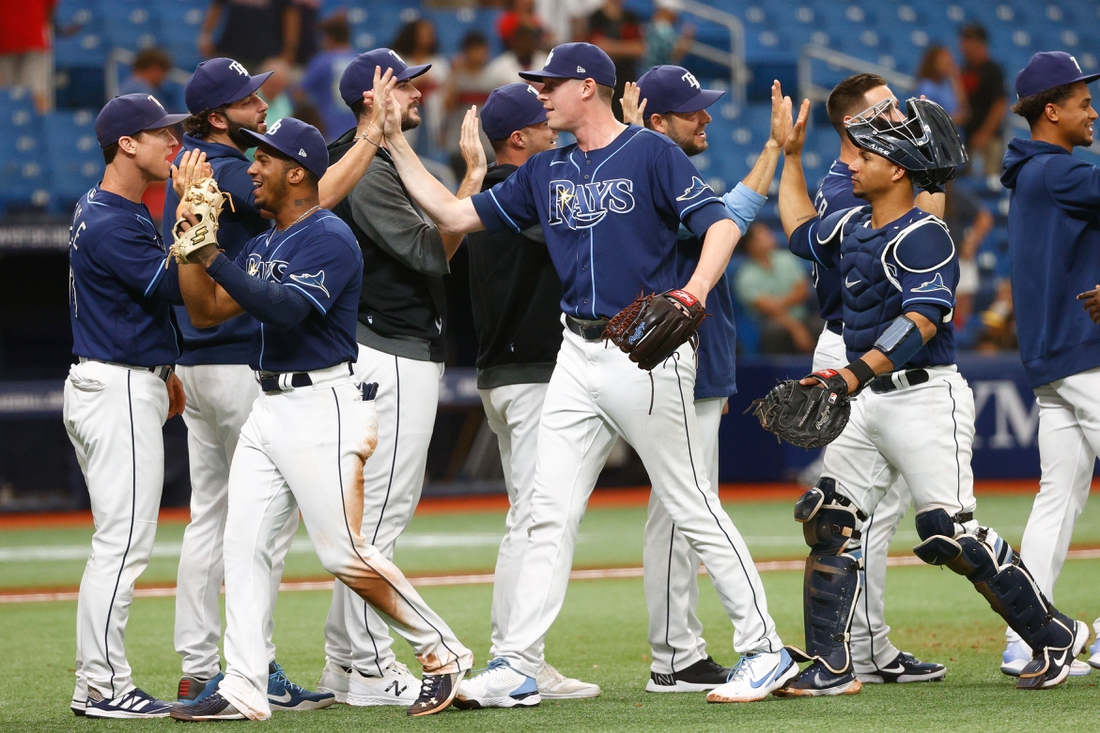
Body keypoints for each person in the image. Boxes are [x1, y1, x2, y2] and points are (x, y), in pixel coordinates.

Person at [382, 42, 798, 707]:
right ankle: (517, 661)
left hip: (644, 350)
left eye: (550, 82)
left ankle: (765, 648)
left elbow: (719, 224)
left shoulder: (651, 152)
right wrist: (394, 146)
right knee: (547, 508)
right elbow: (457, 215)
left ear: (587, 86)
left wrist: (691, 292)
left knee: (691, 502)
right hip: (574, 352)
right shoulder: (546, 168)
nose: (540, 92)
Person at [777, 92, 1088, 695]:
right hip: (865, 398)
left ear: (896, 168)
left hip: (923, 398)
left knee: (949, 530)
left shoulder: (925, 235)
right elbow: (796, 234)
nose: (852, 162)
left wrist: (850, 374)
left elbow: (922, 320)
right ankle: (833, 666)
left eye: (865, 154)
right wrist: (788, 158)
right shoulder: (849, 222)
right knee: (830, 520)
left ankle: (1054, 635)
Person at [167, 116, 474, 722]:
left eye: (264, 160)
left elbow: (283, 312)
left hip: (323, 406)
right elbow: (204, 313)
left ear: (296, 172)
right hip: (269, 409)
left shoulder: (329, 236)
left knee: (344, 554)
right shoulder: (262, 242)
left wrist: (215, 256)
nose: (250, 168)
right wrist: (186, 238)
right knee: (244, 545)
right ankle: (244, 684)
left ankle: (442, 652)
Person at [163, 56, 398, 710]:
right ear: (218, 116)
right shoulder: (227, 164)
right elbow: (313, 195)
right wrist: (372, 136)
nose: (261, 109)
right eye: (248, 102)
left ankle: (198, 661)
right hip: (244, 357)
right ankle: (252, 668)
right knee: (259, 530)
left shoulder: (193, 162)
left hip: (200, 351)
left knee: (213, 516)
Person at [315, 47, 482, 709]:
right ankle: (373, 665)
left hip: (383, 344)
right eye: (407, 86)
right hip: (387, 347)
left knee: (366, 523)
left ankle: (344, 663)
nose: (421, 94)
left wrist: (465, 183)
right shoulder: (364, 163)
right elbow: (426, 251)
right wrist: (469, 187)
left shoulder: (369, 158)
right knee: (377, 521)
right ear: (370, 98)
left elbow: (430, 245)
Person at [621, 65, 785, 693]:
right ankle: (677, 656)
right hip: (675, 363)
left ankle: (677, 654)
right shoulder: (651, 175)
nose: (707, 118)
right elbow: (736, 215)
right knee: (683, 511)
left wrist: (774, 149)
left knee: (677, 511)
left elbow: (735, 211)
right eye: (692, 111)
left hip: (696, 363)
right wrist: (772, 151)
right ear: (655, 122)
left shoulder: (664, 172)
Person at [804, 72, 947, 686]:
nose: (899, 113)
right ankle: (863, 651)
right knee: (855, 514)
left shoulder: (872, 173)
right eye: (885, 108)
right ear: (851, 126)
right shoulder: (847, 186)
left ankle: (868, 647)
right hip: (855, 348)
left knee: (869, 512)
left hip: (869, 348)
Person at [463, 81, 602, 701]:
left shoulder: (484, 191)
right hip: (533, 374)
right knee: (536, 520)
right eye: (540, 123)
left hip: (502, 372)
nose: (553, 127)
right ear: (518, 138)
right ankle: (515, 661)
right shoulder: (515, 194)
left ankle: (514, 656)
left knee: (526, 518)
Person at [66, 93, 190, 719]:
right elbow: (175, 286)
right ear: (126, 144)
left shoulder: (104, 206)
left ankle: (96, 682)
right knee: (123, 544)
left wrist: (162, 366)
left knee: (116, 541)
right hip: (115, 387)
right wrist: (198, 219)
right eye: (159, 133)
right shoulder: (114, 218)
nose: (173, 142)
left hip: (112, 376)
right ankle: (105, 685)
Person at [1001, 51, 1100, 677]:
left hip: (1052, 361)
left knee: (1057, 497)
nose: (1093, 110)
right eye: (1082, 101)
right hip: (1084, 353)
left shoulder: (1032, 173)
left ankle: (1027, 638)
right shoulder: (1060, 172)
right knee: (1056, 497)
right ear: (1051, 111)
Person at [734, 223, 816, 354]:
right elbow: (768, 309)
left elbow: (803, 292)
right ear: (750, 245)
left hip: (803, 316)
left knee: (823, 326)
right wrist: (796, 328)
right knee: (774, 333)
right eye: (762, 235)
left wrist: (778, 303)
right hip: (769, 322)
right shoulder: (745, 275)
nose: (769, 236)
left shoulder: (787, 259)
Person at [298, 14, 358, 141]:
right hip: (358, 132)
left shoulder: (321, 61)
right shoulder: (361, 60)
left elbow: (299, 93)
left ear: (329, 38)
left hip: (328, 131)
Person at [197, 0, 298, 74]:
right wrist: (205, 37)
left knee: (259, 97)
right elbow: (217, 6)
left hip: (266, 55)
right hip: (230, 50)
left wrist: (289, 49)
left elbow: (290, 15)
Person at [958, 24, 1006, 176]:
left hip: (989, 140)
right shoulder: (965, 69)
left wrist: (985, 133)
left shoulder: (993, 70)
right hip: (967, 138)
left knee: (988, 180)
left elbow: (1000, 105)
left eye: (966, 43)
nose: (963, 48)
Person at [585, 0, 644, 117]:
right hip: (601, 80)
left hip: (626, 79)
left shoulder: (630, 17)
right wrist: (625, 48)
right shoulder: (595, 17)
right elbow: (595, 47)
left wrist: (610, 47)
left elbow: (638, 49)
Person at [0, 0, 53, 112]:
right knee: (28, 95)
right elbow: (50, 8)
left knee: (30, 96)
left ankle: (39, 127)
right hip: (15, 41)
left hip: (16, 40)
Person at [914, 45, 966, 127]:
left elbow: (963, 106)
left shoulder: (947, 84)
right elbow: (925, 118)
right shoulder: (927, 87)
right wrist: (953, 120)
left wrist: (955, 79)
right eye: (943, 61)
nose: (947, 64)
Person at [119, 48, 181, 112]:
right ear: (154, 68)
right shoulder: (139, 92)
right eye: (163, 73)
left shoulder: (138, 86)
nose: (164, 78)